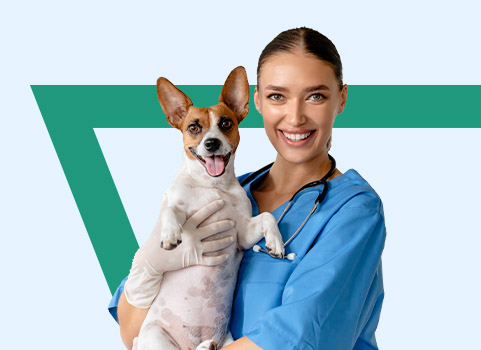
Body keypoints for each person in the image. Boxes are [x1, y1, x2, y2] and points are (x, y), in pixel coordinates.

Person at [108, 27, 387, 350]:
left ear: (341, 99)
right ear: (255, 102)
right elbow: (133, 334)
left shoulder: (354, 211)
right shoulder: (227, 194)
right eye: (277, 96)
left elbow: (298, 336)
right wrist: (149, 266)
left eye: (315, 96)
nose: (295, 117)